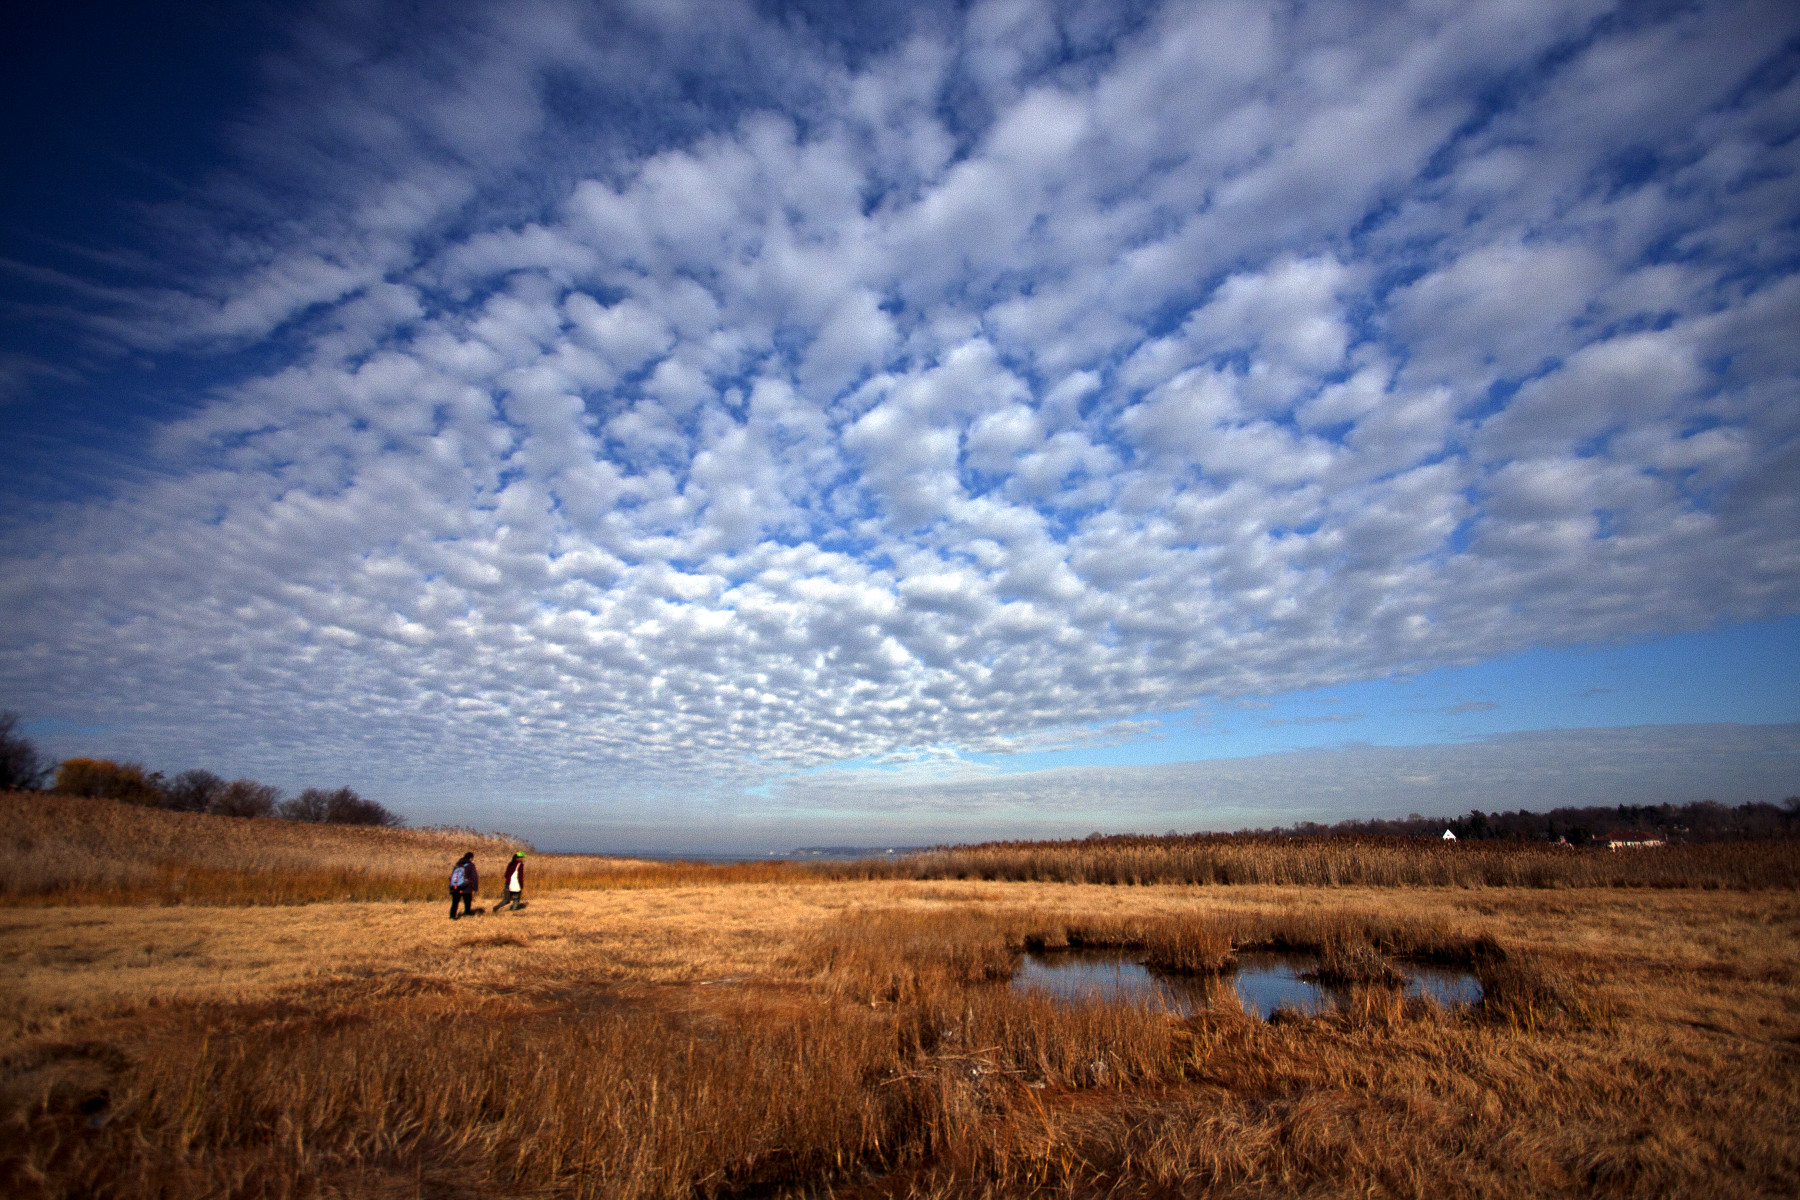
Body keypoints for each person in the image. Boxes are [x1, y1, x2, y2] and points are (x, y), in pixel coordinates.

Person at [448, 851, 478, 919]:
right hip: (466, 887)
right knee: (467, 901)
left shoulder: (457, 864)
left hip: (455, 887)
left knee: (455, 902)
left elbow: (452, 876)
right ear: (471, 858)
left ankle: (452, 916)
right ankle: (467, 913)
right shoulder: (471, 865)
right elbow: (474, 877)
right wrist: (475, 887)